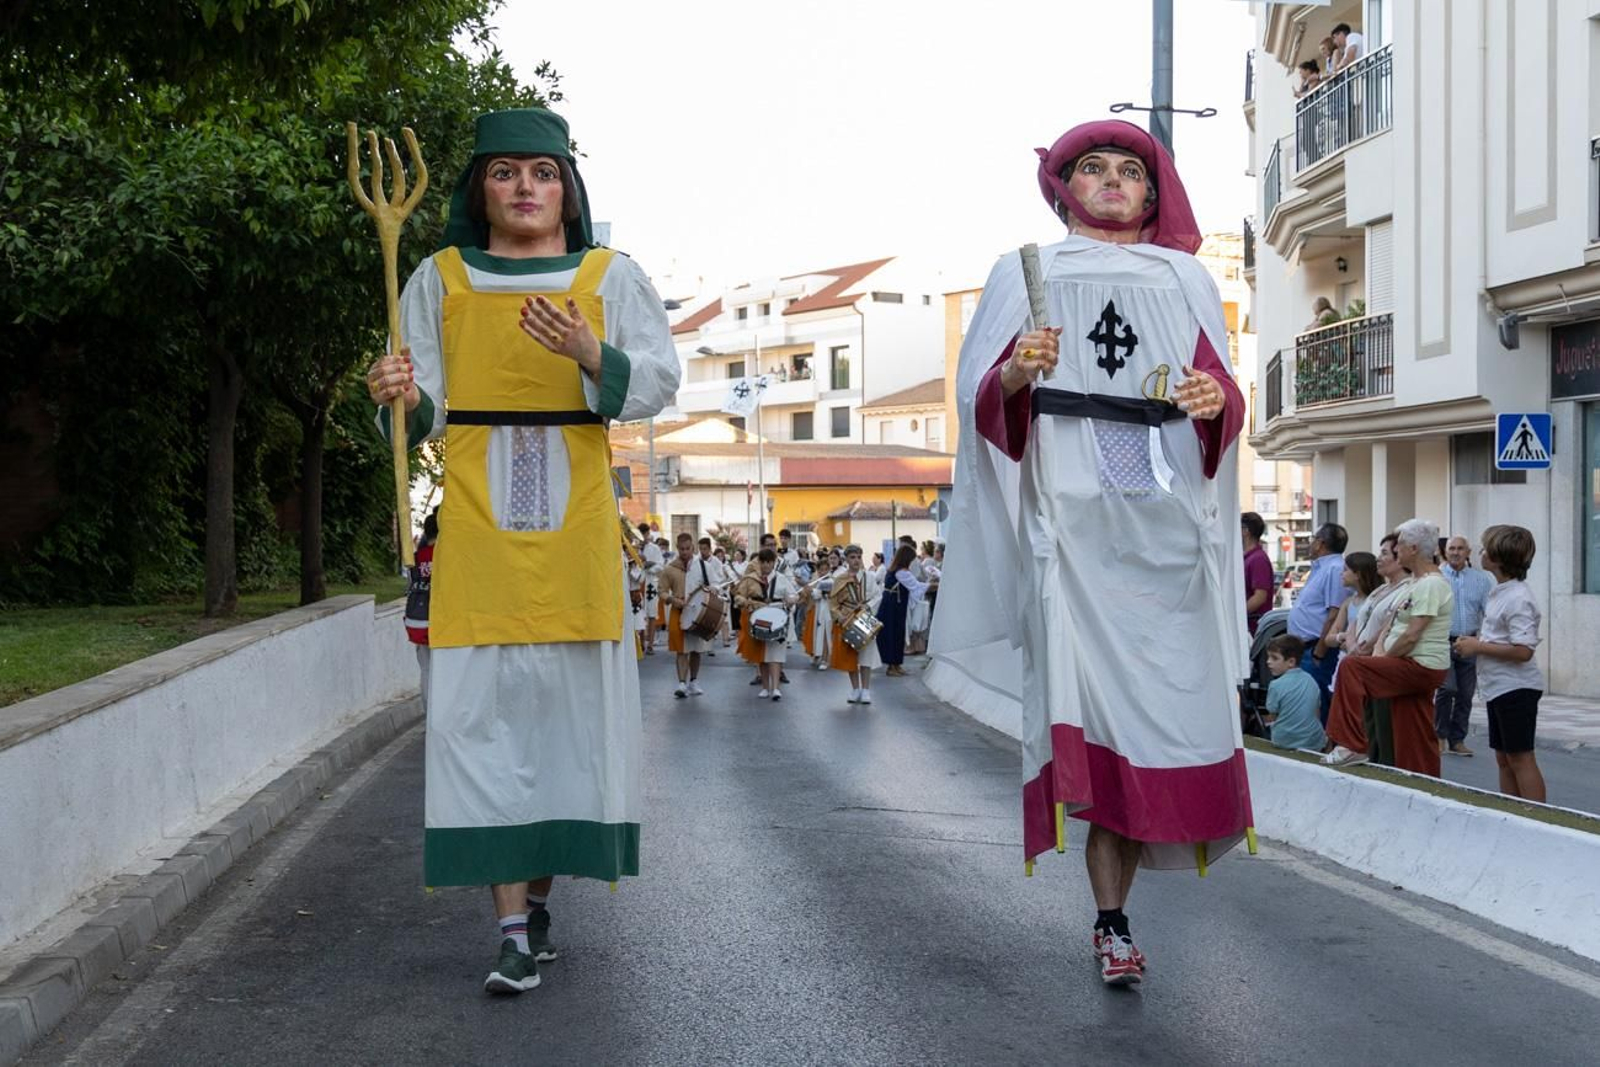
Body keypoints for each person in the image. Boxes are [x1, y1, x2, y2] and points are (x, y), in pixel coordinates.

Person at [363, 107, 678, 995]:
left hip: (577, 547)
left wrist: (590, 349)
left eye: (542, 173)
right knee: (482, 734)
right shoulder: (440, 278)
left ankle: (536, 902)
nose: (525, 188)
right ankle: (509, 928)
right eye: (505, 173)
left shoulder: (611, 277)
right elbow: (417, 404)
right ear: (480, 190)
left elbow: (656, 381)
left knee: (565, 737)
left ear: (567, 189)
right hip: (477, 543)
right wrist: (395, 392)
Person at [937, 120, 1253, 986]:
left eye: (1129, 171)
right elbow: (980, 403)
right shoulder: (1024, 275)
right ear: (1063, 185)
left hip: (1164, 542)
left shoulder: (1186, 278)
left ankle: (1128, 896)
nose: (1112, 180)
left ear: (1152, 195)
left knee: (1169, 715)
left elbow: (1224, 391)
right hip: (1071, 538)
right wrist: (1012, 375)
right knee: (1095, 734)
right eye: (1093, 167)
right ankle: (1112, 921)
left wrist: (1212, 396)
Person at [1323, 519, 1452, 773]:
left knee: (1352, 668)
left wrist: (1381, 661)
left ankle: (1351, 744)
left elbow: (1411, 635)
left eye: (1400, 545)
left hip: (1420, 664)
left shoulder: (1430, 584)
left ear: (1413, 548)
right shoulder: (1418, 583)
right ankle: (1423, 775)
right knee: (1412, 725)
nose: (1396, 551)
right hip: (1413, 663)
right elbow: (1393, 624)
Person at [1455, 526, 1546, 802]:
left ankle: (1537, 818)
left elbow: (1523, 650)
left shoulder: (1518, 597)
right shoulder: (1502, 592)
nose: (1480, 553)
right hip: (1498, 687)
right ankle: (1512, 811)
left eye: (1484, 549)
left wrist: (1477, 646)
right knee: (1504, 758)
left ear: (1498, 557)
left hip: (1516, 688)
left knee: (1520, 757)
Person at [1437, 535, 1494, 757]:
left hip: (1469, 641)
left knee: (1465, 693)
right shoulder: (1437, 577)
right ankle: (1439, 735)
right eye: (1452, 548)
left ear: (1468, 552)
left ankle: (1457, 740)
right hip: (1442, 641)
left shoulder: (1481, 580)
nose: (1456, 552)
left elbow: (1488, 612)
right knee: (1446, 688)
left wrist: (1483, 642)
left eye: (1461, 548)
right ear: (1445, 551)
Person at [1287, 523, 1350, 723]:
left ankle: (1320, 744)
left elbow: (1334, 614)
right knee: (1305, 701)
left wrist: (1319, 652)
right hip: (1304, 648)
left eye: (1313, 538)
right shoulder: (1321, 567)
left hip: (1316, 649)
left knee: (1317, 701)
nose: (1311, 543)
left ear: (1321, 543)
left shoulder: (1335, 568)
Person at [735, 547, 797, 699]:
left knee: (776, 654)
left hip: (777, 616)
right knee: (761, 654)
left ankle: (775, 688)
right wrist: (745, 602)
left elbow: (793, 595)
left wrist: (791, 600)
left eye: (769, 562)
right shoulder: (750, 579)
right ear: (759, 562)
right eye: (763, 562)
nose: (766, 565)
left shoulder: (781, 579)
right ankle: (765, 687)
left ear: (773, 563)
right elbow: (738, 595)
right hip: (758, 616)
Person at [829, 544, 883, 704]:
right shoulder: (839, 579)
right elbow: (833, 602)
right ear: (846, 559)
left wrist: (867, 607)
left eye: (858, 557)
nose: (856, 560)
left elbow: (878, 596)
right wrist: (839, 616)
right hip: (847, 619)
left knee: (866, 655)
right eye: (852, 557)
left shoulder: (869, 577)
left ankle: (866, 690)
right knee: (851, 656)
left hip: (865, 617)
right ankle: (855, 689)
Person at [1263, 635, 1328, 752]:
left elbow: (1272, 714)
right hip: (1314, 742)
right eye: (1268, 657)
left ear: (1291, 662)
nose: (1268, 662)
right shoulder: (1311, 680)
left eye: (1274, 658)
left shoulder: (1275, 685)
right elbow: (1316, 712)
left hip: (1284, 742)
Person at [876, 543, 931, 676]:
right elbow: (916, 587)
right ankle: (891, 666)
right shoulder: (901, 572)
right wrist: (933, 585)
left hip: (894, 605)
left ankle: (896, 664)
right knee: (892, 634)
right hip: (893, 606)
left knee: (898, 634)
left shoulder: (895, 570)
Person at [404, 508, 440, 707]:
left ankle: (428, 714)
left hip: (418, 619)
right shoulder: (446, 555)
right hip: (441, 619)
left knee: (426, 670)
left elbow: (409, 587)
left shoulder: (416, 558)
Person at [1325, 551, 1380, 655]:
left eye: (1345, 570)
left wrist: (1351, 641)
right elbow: (1328, 639)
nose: (1342, 574)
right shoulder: (1348, 602)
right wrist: (1342, 637)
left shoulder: (1377, 601)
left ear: (1357, 575)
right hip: (1344, 659)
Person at [1241, 511, 1274, 635]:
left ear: (1245, 531)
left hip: (1254, 629)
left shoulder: (1258, 559)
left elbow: (1259, 597)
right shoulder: (1248, 557)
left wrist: (1238, 615)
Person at [639, 522, 663, 655]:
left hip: (651, 584)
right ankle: (641, 643)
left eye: (646, 534)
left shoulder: (654, 548)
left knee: (652, 614)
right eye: (643, 534)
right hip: (638, 584)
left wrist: (649, 566)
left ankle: (651, 644)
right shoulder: (634, 548)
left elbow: (660, 565)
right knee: (639, 614)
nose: (645, 537)